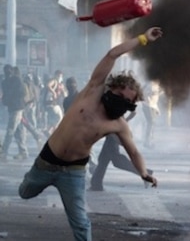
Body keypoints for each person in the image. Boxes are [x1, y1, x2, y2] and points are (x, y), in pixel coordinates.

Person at [18, 27, 162, 241]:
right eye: (119, 94)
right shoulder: (93, 90)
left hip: (73, 172)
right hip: (46, 162)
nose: (121, 101)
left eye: (127, 101)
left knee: (81, 223)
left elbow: (133, 151)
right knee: (25, 192)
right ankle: (31, 180)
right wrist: (143, 39)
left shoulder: (118, 125)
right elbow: (113, 54)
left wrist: (143, 173)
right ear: (112, 88)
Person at [89, 110, 153, 191]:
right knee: (103, 160)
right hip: (112, 133)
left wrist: (125, 121)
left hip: (114, 132)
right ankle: (96, 185)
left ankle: (145, 173)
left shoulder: (116, 101)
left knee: (116, 161)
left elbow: (133, 111)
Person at [1, 65, 29, 160]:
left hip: (17, 108)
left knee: (10, 130)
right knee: (18, 131)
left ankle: (4, 151)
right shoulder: (5, 82)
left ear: (12, 71)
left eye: (9, 71)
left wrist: (11, 98)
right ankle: (23, 152)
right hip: (12, 108)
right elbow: (4, 95)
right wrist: (6, 100)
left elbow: (23, 93)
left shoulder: (17, 80)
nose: (7, 72)